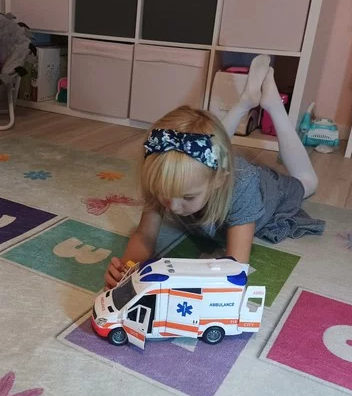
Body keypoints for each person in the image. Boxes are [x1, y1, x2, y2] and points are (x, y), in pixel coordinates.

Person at [104, 55, 324, 289]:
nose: (173, 207)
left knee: (307, 182)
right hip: (217, 167)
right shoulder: (164, 173)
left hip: (271, 191)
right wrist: (128, 269)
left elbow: (235, 270)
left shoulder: (243, 187)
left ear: (219, 180)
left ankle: (274, 106)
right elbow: (144, 236)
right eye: (164, 195)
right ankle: (245, 102)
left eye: (188, 197)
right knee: (211, 150)